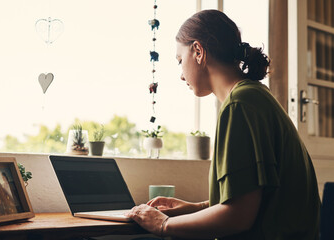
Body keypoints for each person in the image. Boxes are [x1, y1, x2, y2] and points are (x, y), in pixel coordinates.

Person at [126, 9, 320, 240]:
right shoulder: (255, 96)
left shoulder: (239, 104)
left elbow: (239, 216)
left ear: (198, 51)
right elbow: (255, 197)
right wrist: (196, 207)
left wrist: (164, 224)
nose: (181, 74)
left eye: (180, 60)